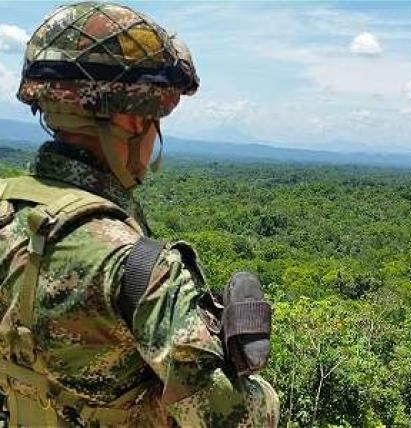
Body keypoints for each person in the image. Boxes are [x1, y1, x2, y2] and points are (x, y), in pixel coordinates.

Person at [0, 2, 279, 426]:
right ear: (130, 121)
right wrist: (258, 391)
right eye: (154, 122)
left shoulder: (6, 212)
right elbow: (233, 418)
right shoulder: (138, 268)